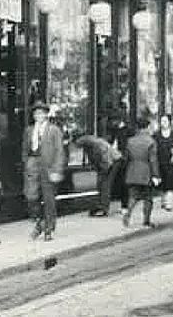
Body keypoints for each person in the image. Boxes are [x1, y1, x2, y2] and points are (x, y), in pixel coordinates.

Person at [22, 102, 65, 241]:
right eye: (36, 113)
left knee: (48, 198)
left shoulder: (54, 130)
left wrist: (57, 169)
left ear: (46, 115)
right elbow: (25, 148)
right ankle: (40, 222)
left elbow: (59, 151)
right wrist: (26, 162)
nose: (38, 116)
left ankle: (48, 229)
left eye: (41, 113)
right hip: (33, 163)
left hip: (48, 166)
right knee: (31, 196)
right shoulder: (29, 130)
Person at [122, 117, 161, 229]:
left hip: (132, 170)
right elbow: (153, 160)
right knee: (148, 198)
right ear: (147, 127)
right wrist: (156, 175)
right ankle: (146, 221)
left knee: (133, 196)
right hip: (146, 172)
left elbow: (126, 157)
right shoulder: (151, 142)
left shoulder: (130, 141)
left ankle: (127, 214)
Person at [73, 133, 119, 217]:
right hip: (109, 161)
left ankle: (104, 207)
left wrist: (104, 170)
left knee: (105, 185)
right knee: (101, 184)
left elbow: (106, 159)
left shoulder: (96, 145)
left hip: (112, 162)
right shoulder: (91, 144)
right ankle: (102, 204)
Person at [153, 114, 173, 210]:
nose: (163, 123)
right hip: (159, 162)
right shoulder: (156, 135)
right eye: (161, 121)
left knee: (170, 183)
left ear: (169, 122)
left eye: (165, 121)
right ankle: (163, 201)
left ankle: (169, 204)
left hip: (171, 163)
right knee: (161, 183)